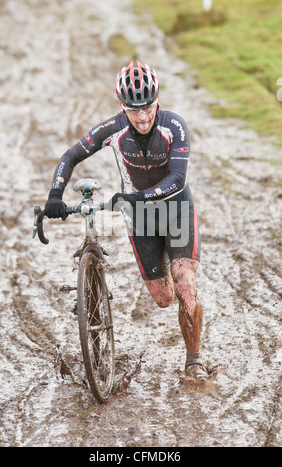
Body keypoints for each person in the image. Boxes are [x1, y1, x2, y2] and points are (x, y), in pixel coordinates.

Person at [45, 61, 209, 381]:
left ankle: (194, 362)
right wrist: (55, 195)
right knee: (163, 299)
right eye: (134, 110)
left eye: (148, 107)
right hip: (141, 218)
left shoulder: (174, 125)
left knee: (185, 284)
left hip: (176, 209)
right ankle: (174, 284)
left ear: (157, 100)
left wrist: (136, 198)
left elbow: (177, 178)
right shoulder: (113, 129)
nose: (143, 117)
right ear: (123, 106)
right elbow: (70, 156)